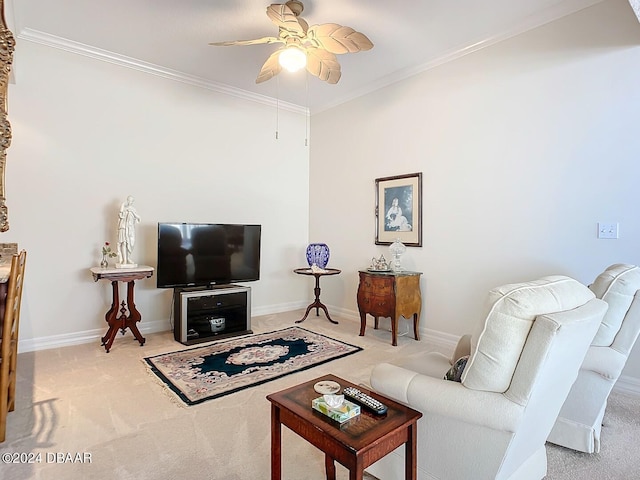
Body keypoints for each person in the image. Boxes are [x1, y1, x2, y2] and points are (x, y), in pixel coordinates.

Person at [117, 195, 141, 266]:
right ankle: (124, 259)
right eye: (128, 200)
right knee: (124, 243)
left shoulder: (133, 209)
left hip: (130, 229)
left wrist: (132, 212)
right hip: (124, 227)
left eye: (131, 200)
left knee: (131, 243)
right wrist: (122, 206)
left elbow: (138, 218)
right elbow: (120, 216)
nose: (129, 202)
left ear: (132, 202)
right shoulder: (124, 208)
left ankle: (128, 258)